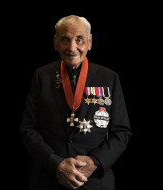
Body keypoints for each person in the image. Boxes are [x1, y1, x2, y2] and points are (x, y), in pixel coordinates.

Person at [20, 15, 132, 190]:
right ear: (56, 42)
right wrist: (56, 164)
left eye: (79, 40)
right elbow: (28, 129)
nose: (72, 48)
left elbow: (122, 132)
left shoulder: (109, 78)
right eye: (65, 40)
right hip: (49, 179)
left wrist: (94, 162)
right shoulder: (41, 76)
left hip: (95, 181)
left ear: (89, 42)